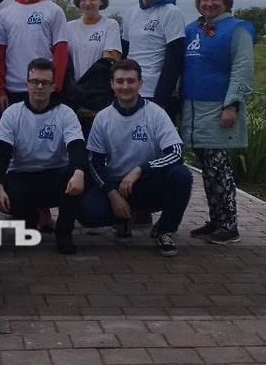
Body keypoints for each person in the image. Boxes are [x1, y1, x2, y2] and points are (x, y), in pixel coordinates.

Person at [79, 59, 193, 257]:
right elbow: (94, 162)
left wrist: (140, 169)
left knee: (181, 175)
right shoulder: (103, 118)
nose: (125, 86)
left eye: (131, 81)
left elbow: (176, 153)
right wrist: (112, 194)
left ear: (140, 83)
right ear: (111, 84)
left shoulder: (156, 114)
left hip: (149, 183)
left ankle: (165, 230)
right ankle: (122, 219)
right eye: (120, 81)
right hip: (118, 185)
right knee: (88, 213)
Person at [181, 0, 255, 245]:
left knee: (219, 167)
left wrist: (232, 104)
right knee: (208, 169)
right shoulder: (193, 29)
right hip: (193, 110)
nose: (209, 3)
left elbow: (242, 68)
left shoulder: (237, 29)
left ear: (226, 2)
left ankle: (229, 224)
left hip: (218, 109)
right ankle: (216, 219)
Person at [0, 58, 87, 254]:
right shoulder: (12, 114)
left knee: (78, 174)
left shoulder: (66, 113)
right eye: (35, 81)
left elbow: (77, 147)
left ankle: (64, 233)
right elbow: (1, 155)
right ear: (27, 84)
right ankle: (29, 218)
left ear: (53, 87)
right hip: (22, 175)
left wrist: (79, 172)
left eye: (45, 83)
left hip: (55, 175)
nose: (39, 87)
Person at [0, 0, 70, 111]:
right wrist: (0, 91)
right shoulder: (5, 14)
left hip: (44, 90)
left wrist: (54, 86)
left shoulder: (54, 11)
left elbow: (61, 53)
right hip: (13, 91)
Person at [122, 0, 187, 115]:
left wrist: (162, 100)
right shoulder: (130, 13)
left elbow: (174, 60)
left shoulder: (171, 12)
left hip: (157, 95)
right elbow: (125, 54)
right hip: (130, 91)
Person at [64, 0, 122, 132]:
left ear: (101, 1)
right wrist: (74, 91)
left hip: (98, 98)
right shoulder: (69, 27)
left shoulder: (110, 25)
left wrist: (84, 91)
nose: (87, 3)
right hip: (73, 100)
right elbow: (66, 63)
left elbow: (109, 61)